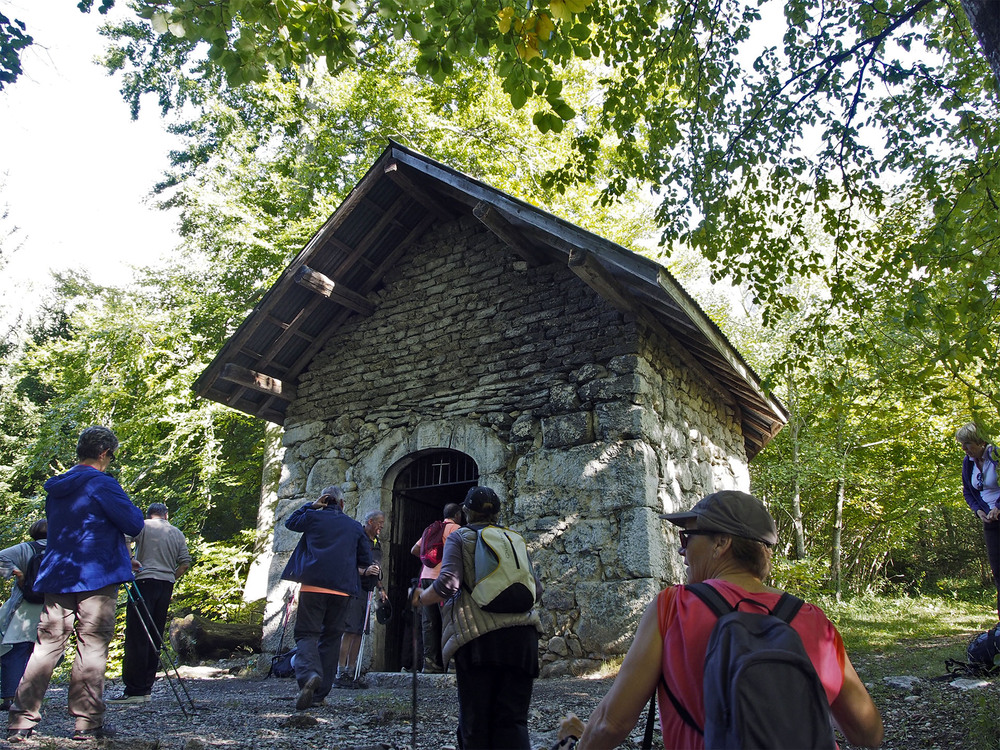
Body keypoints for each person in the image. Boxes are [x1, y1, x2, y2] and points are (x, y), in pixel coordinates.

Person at [555, 490, 883, 750]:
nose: (682, 552)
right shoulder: (812, 619)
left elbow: (612, 724)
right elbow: (868, 732)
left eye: (688, 539)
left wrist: (578, 743)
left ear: (722, 543)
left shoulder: (673, 608)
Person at [8, 426, 145, 743]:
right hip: (96, 575)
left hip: (58, 574)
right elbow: (134, 523)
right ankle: (87, 723)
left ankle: (21, 720)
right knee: (92, 645)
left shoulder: (57, 488)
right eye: (111, 456)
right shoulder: (101, 483)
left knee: (46, 647)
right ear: (103, 454)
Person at [413, 487, 543, 750]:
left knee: (476, 723)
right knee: (514, 722)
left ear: (467, 512)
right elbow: (536, 590)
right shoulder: (514, 539)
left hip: (479, 641)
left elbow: (448, 584)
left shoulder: (461, 537)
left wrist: (419, 598)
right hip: (523, 641)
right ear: (496, 513)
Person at [280, 485, 372, 711]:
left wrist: (311, 505)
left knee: (306, 634)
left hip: (312, 586)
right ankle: (319, 695)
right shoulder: (354, 526)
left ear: (324, 500)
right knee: (331, 638)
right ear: (342, 503)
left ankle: (310, 674)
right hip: (342, 589)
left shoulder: (312, 517)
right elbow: (365, 559)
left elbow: (290, 522)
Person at [109, 502, 191, 704]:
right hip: (166, 584)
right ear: (166, 514)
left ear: (149, 514)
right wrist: (171, 576)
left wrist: (129, 560)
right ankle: (146, 687)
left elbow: (124, 538)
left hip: (144, 581)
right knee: (155, 635)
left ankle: (134, 690)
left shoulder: (142, 526)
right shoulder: (176, 532)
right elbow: (185, 562)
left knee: (138, 634)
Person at [335, 509, 387, 689]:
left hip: (368, 590)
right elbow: (346, 565)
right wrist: (364, 571)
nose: (382, 526)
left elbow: (377, 568)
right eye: (380, 522)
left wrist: (381, 588)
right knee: (349, 630)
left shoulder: (376, 542)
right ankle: (340, 673)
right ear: (370, 521)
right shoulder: (357, 539)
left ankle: (351, 672)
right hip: (354, 588)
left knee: (359, 631)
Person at [0, 520, 48, 710]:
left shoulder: (24, 549)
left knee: (16, 650)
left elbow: (1, 556)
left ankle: (9, 697)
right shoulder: (62, 548)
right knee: (44, 651)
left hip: (24, 604)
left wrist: (19, 575)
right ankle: (33, 696)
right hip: (51, 604)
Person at [410, 503, 462, 673]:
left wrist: (431, 562)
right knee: (449, 619)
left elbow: (414, 550)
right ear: (458, 515)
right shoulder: (456, 528)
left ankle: (429, 663)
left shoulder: (431, 529)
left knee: (429, 621)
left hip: (425, 577)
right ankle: (452, 662)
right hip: (443, 579)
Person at [957, 422, 1000, 622]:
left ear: (980, 442)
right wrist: (979, 511)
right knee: (998, 571)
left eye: (967, 444)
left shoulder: (996, 455)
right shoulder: (968, 462)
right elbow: (968, 491)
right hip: (990, 522)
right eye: (962, 445)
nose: (964, 449)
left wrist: (999, 506)